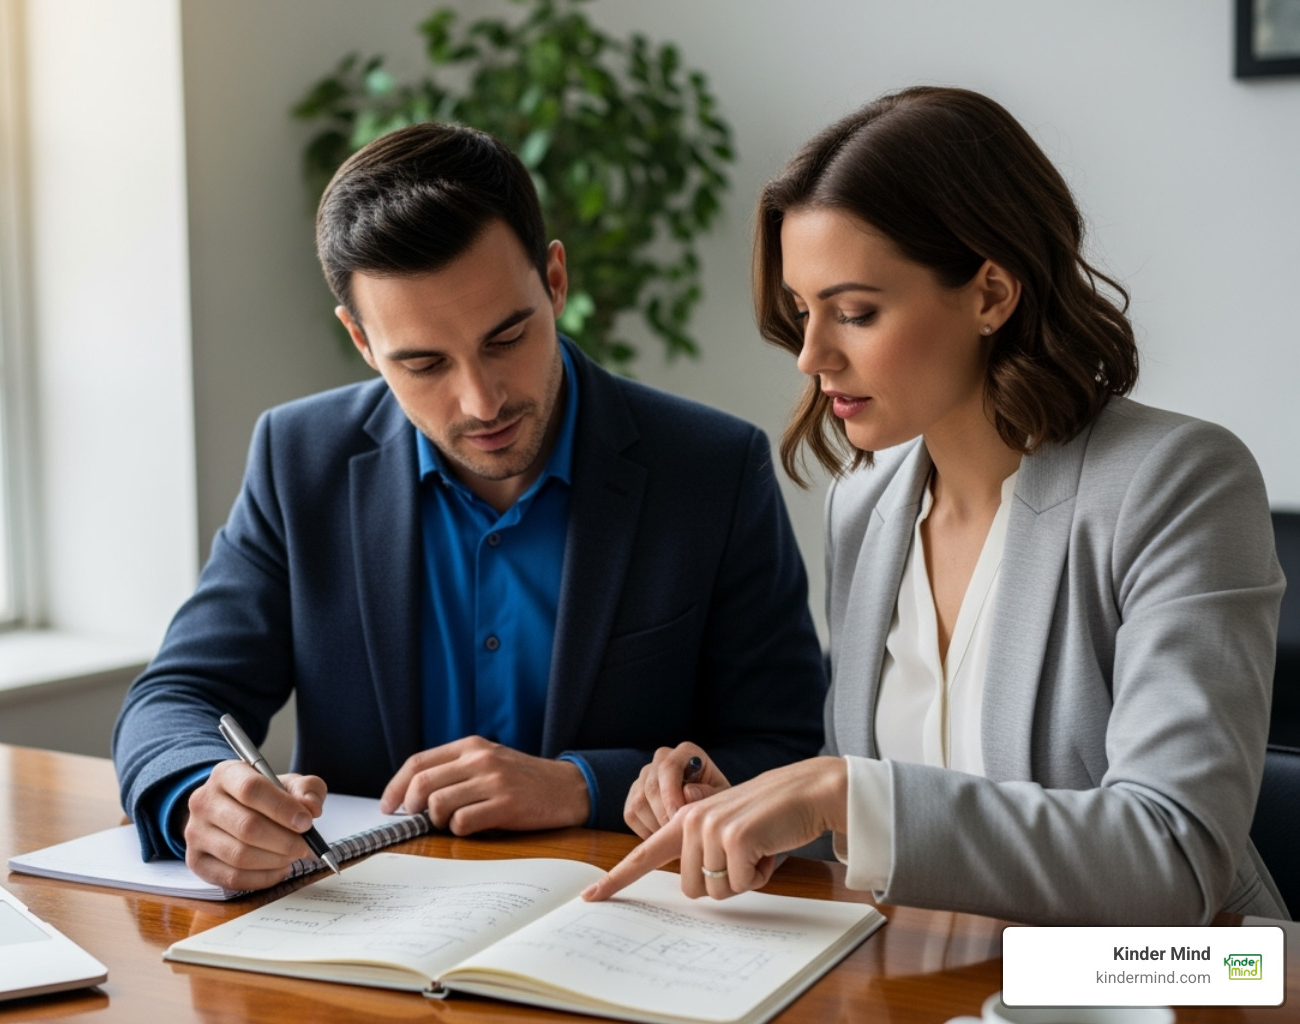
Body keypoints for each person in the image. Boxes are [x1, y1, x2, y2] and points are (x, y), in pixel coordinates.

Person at [584, 86, 1288, 925]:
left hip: (1186, 977)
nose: (812, 355)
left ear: (991, 292)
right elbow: (893, 830)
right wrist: (741, 813)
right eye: (803, 313)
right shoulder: (865, 504)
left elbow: (1173, 857)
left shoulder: (1179, 483)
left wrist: (846, 794)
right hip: (939, 974)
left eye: (855, 313)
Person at [112, 122, 828, 890]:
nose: (480, 401)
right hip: (357, 941)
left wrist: (582, 783)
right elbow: (178, 697)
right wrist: (202, 797)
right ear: (360, 338)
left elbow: (790, 750)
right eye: (422, 363)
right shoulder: (300, 458)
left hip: (623, 930)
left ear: (554, 281)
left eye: (507, 337)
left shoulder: (712, 470)